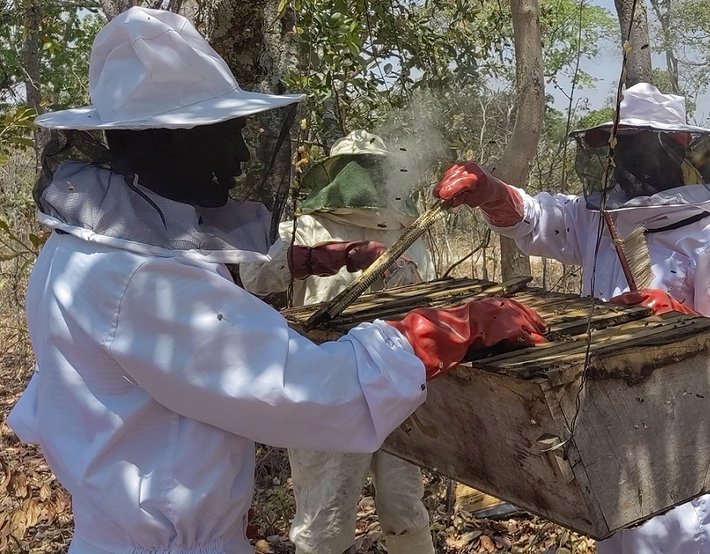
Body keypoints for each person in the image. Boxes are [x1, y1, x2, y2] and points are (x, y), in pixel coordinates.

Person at [6, 8, 546, 553]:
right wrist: (445, 330)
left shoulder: (85, 248)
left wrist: (308, 260)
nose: (242, 157)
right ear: (161, 142)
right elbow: (308, 390)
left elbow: (202, 282)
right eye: (227, 136)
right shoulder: (141, 279)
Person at [433, 82, 710, 554]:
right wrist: (490, 190)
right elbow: (538, 217)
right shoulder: (601, 215)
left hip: (674, 432)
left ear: (671, 149)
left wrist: (687, 328)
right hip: (603, 421)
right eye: (614, 148)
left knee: (672, 536)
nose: (621, 161)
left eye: (630, 147)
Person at [239, 129, 438, 553]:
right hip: (324, 386)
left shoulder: (408, 229)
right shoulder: (307, 226)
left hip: (395, 385)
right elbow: (254, 275)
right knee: (324, 518)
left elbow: (431, 298)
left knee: (404, 508)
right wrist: (322, 256)